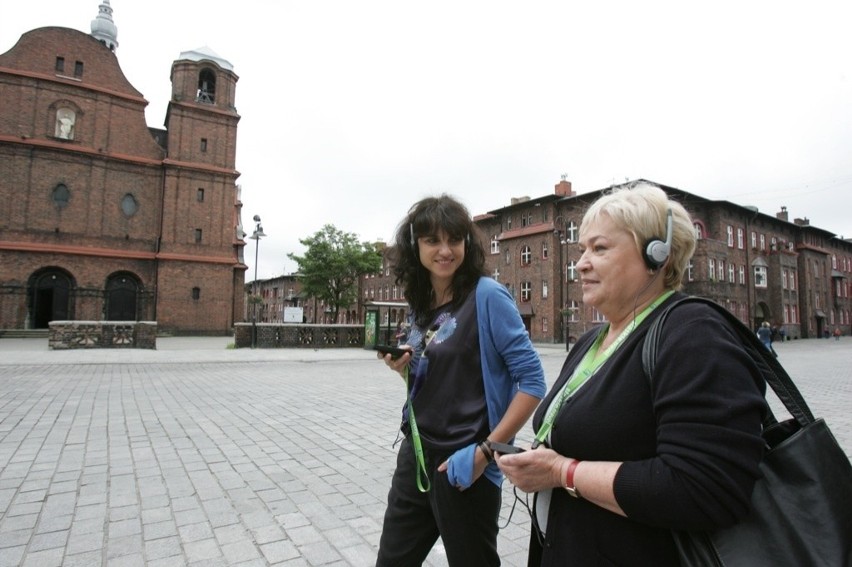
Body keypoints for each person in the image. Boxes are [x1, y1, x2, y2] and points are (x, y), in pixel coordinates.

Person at [496, 182, 767, 566]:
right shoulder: (592, 341)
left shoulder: (692, 333)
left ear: (657, 256)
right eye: (582, 249)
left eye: (600, 248)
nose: (581, 263)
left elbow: (707, 490)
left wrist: (562, 472)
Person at [375, 194, 547, 566]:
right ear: (415, 246)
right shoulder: (420, 302)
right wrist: (404, 366)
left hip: (464, 465)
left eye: (454, 239)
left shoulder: (487, 296)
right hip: (417, 456)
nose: (445, 250)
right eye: (432, 240)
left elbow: (532, 381)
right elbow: (439, 375)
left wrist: (485, 453)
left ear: (467, 244)